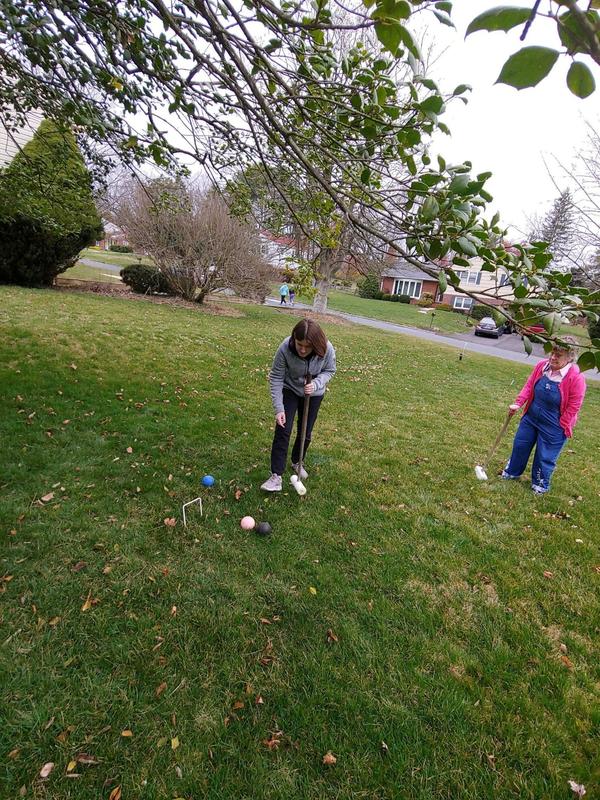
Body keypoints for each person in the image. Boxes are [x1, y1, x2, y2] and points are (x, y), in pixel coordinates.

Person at [502, 337, 586, 494]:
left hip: (554, 423)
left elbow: (575, 405)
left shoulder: (576, 377)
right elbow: (529, 386)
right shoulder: (542, 367)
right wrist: (518, 403)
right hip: (531, 417)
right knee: (520, 445)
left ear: (570, 357)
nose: (553, 357)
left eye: (559, 355)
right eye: (553, 353)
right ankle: (512, 472)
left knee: (544, 456)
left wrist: (563, 424)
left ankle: (540, 484)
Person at [261, 319, 336, 492]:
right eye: (299, 344)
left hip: (314, 393)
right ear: (294, 338)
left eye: (307, 346)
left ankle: (297, 462)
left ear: (316, 345)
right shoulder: (285, 348)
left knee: (305, 431)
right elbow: (277, 377)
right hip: (290, 389)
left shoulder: (326, 349)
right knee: (283, 429)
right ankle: (276, 476)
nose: (302, 349)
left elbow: (330, 370)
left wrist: (316, 384)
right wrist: (279, 408)